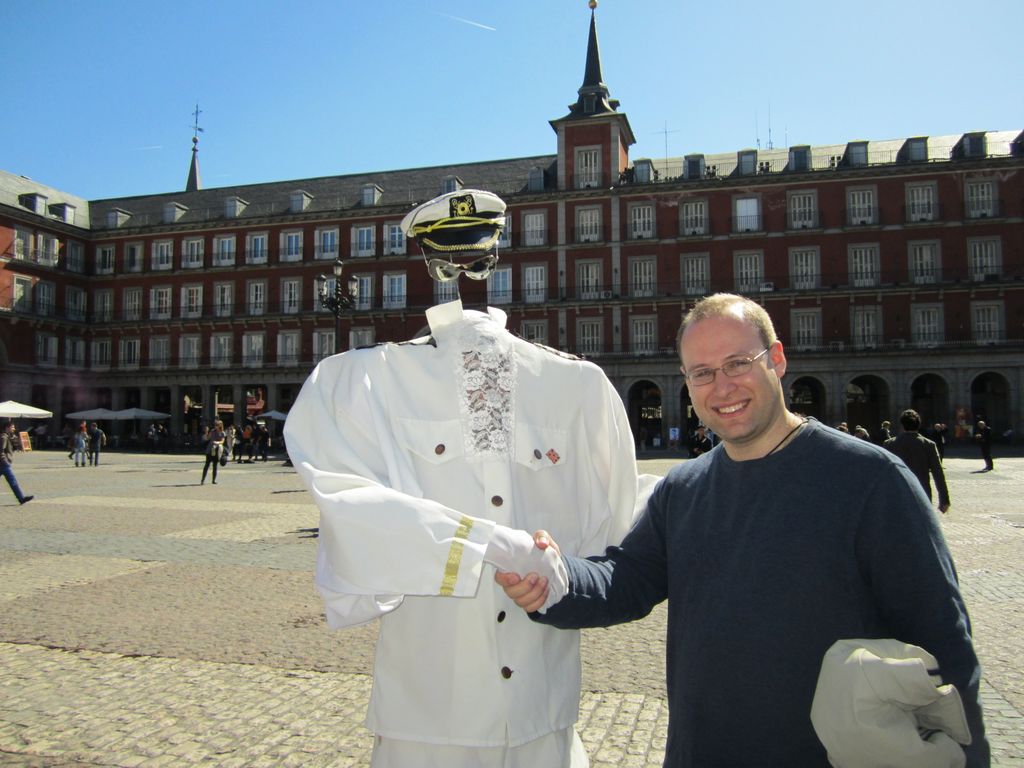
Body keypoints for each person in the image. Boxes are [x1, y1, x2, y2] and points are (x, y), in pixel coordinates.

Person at [497, 293, 988, 768]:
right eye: (702, 373)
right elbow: (626, 579)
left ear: (777, 359)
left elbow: (943, 642)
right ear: (687, 383)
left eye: (737, 364)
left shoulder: (870, 481)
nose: (722, 387)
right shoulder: (684, 488)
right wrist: (555, 577)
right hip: (701, 753)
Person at [284, 189, 646, 768]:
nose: (462, 271)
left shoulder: (581, 388)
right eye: (452, 261)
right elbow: (352, 509)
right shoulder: (365, 383)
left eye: (471, 260)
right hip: (429, 715)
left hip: (540, 709)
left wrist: (566, 575)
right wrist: (494, 545)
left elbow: (615, 529)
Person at [885, 409, 950, 512]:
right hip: (922, 493)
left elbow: (883, 473)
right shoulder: (928, 445)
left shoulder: (889, 444)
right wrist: (944, 500)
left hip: (897, 494)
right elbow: (938, 473)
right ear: (919, 425)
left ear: (902, 425)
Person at [1, 422, 33, 505]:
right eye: (12, 427)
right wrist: (4, 460)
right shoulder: (3, 437)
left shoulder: (8, 436)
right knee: (13, 481)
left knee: (13, 482)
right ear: (7, 428)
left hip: (4, 464)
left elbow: (12, 448)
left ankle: (21, 498)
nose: (14, 429)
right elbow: (1, 450)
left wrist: (18, 444)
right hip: (4, 464)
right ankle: (21, 498)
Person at [200, 419, 226, 485]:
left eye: (217, 425)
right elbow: (207, 438)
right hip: (210, 450)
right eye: (215, 425)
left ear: (220, 425)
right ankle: (202, 480)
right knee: (207, 465)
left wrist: (217, 442)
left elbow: (223, 441)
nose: (215, 426)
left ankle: (213, 480)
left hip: (217, 450)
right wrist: (206, 433)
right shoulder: (212, 431)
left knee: (215, 465)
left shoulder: (222, 433)